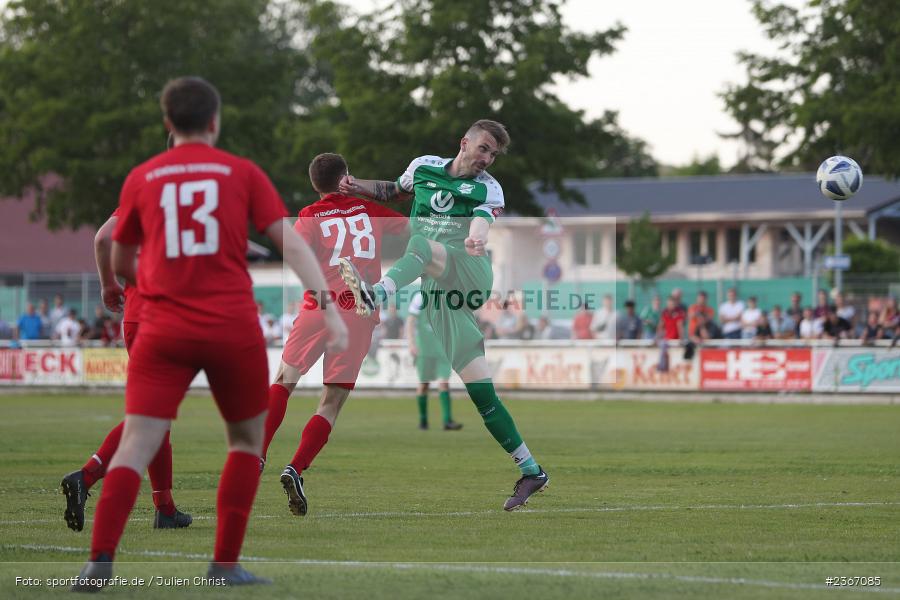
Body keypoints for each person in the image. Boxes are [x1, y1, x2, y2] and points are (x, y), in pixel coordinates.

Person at [72, 77, 347, 591]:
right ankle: (223, 566)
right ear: (215, 122)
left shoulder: (143, 178)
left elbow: (116, 245)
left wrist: (122, 284)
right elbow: (284, 238)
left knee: (137, 441)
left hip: (162, 326)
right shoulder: (240, 172)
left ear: (168, 123)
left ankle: (99, 564)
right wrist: (326, 301)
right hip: (229, 325)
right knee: (244, 441)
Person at [337, 119, 549, 510]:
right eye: (483, 148)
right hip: (438, 293)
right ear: (464, 142)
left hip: (468, 271)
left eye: (493, 154)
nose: (487, 158)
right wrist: (357, 185)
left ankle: (377, 294)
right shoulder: (423, 167)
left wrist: (477, 236)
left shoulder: (488, 187)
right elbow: (394, 191)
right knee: (481, 395)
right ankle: (531, 469)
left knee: (421, 242)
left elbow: (483, 221)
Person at [260, 152, 406, 517]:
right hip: (358, 308)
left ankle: (255, 454)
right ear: (347, 177)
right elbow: (412, 229)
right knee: (331, 402)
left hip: (319, 306)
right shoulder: (367, 210)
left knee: (284, 380)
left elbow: (294, 254)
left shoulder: (309, 215)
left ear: (315, 185)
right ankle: (295, 467)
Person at [61, 210, 191, 535]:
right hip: (168, 316)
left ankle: (165, 508)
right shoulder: (203, 192)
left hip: (135, 315)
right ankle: (87, 476)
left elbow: (103, 237)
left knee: (157, 416)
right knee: (150, 415)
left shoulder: (145, 189)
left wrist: (108, 284)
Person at [407, 289, 463, 431]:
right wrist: (411, 343)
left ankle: (447, 421)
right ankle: (423, 420)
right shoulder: (420, 297)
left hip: (443, 348)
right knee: (424, 385)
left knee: (444, 382)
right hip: (425, 348)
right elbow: (410, 322)